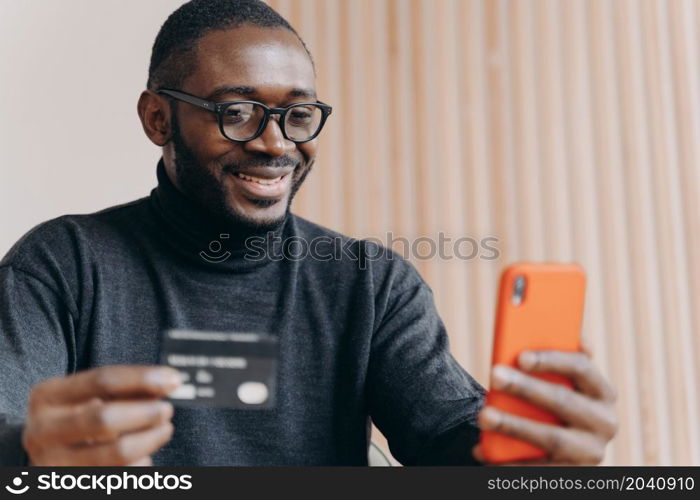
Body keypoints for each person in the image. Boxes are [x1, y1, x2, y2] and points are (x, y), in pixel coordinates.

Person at [0, 0, 617, 466]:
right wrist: (31, 458)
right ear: (158, 118)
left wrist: (537, 457)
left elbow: (451, 440)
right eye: (236, 112)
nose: (276, 143)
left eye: (298, 115)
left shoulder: (369, 283)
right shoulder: (62, 265)